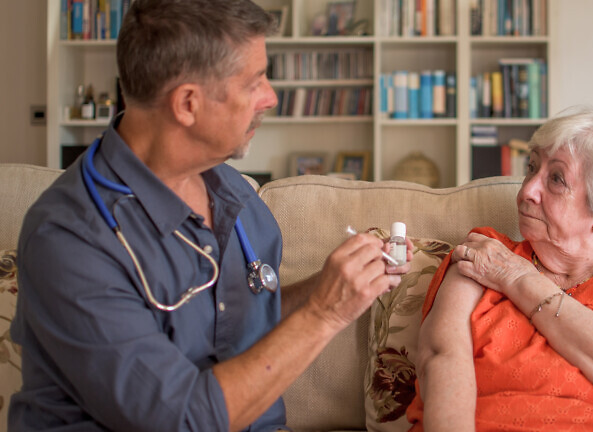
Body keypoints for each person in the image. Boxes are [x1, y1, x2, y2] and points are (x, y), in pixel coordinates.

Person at [9, 1, 411, 430]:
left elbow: (243, 317)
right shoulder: (70, 239)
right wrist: (325, 313)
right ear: (187, 103)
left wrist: (335, 287)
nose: (271, 97)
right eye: (254, 81)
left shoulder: (232, 192)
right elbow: (181, 419)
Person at [407, 106, 593, 431]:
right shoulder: (486, 253)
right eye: (531, 168)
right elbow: (440, 358)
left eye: (556, 179)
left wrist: (519, 279)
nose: (528, 190)